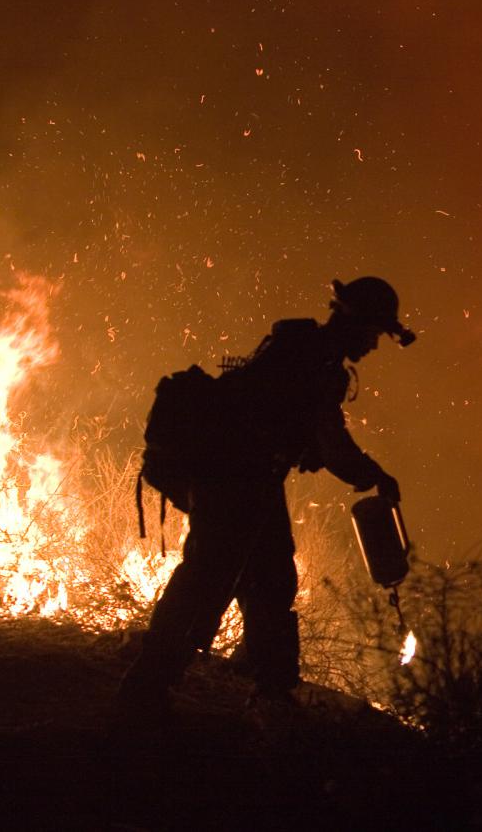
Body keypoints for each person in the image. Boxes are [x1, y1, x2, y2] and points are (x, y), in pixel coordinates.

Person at [117, 276, 414, 718]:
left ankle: (270, 688)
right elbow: (331, 442)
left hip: (250, 478)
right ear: (353, 323)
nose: (373, 345)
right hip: (235, 478)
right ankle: (147, 689)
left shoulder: (302, 350)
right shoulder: (314, 361)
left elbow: (288, 420)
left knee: (271, 578)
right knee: (209, 578)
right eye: (372, 333)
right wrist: (373, 474)